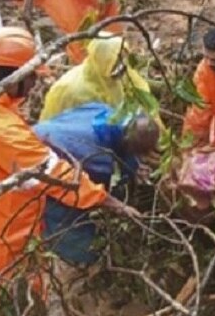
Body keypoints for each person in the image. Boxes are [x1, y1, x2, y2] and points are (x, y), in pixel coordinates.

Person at [0, 28, 139, 279]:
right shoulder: (3, 131)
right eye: (32, 77)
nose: (35, 83)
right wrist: (112, 203)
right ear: (15, 77)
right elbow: (56, 175)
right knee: (22, 287)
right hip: (1, 231)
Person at [34, 104, 160, 265]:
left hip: (40, 133)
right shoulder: (95, 158)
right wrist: (120, 207)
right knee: (73, 234)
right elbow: (89, 191)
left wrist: (133, 167)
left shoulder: (105, 111)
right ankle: (81, 260)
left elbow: (120, 145)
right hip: (39, 173)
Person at [40, 35, 153, 121]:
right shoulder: (77, 93)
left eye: (123, 58)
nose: (121, 66)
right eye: (115, 61)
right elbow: (88, 129)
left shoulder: (119, 74)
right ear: (102, 62)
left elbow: (145, 99)